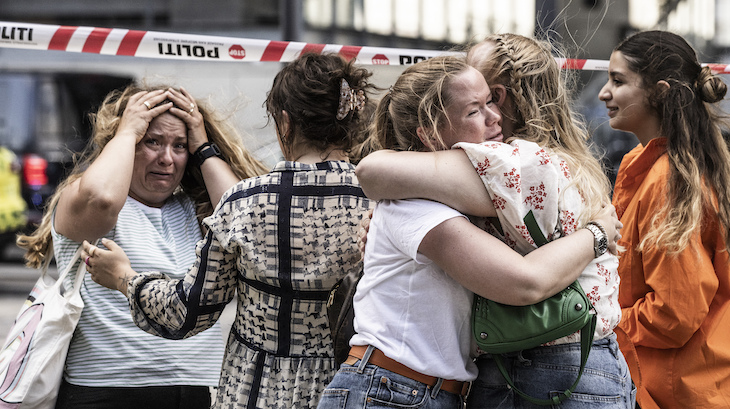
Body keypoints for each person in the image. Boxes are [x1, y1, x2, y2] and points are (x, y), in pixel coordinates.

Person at [317, 54, 623, 409]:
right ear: (429, 135)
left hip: (412, 390)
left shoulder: (457, 197)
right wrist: (598, 233)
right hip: (391, 389)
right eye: (474, 110)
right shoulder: (415, 206)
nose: (494, 118)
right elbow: (525, 282)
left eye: (492, 101)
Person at [82, 52, 374, 408]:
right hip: (346, 390)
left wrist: (124, 278)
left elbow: (186, 312)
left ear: (284, 124)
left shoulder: (246, 203)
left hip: (253, 390)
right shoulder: (380, 204)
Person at [15, 84, 266, 407]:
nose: (166, 159)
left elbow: (249, 227)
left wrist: (202, 145)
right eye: (152, 142)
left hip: (192, 390)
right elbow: (102, 198)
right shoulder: (86, 198)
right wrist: (126, 131)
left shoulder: (196, 209)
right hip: (106, 390)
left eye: (179, 146)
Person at [598, 30, 730, 408]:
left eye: (618, 80)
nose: (604, 93)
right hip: (692, 386)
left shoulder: (668, 180)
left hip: (684, 393)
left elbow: (674, 313)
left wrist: (601, 321)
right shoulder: (654, 165)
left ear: (659, 91)